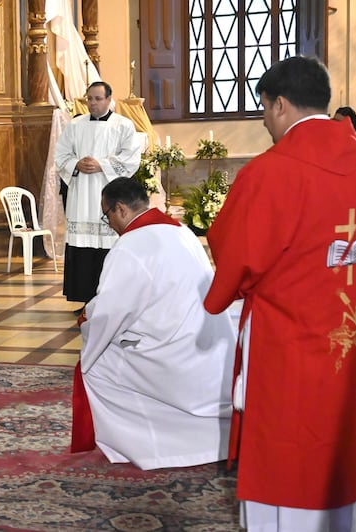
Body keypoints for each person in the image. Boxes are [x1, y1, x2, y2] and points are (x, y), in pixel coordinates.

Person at [204, 56, 356, 531]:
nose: (267, 121)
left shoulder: (271, 172)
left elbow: (235, 255)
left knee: (290, 451)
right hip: (346, 334)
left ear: (282, 105)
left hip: (289, 342)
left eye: (266, 109)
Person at [73, 177, 235, 470]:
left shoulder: (130, 246)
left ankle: (144, 445)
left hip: (174, 356)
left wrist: (87, 320)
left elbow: (111, 312)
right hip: (210, 350)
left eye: (106, 214)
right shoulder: (182, 232)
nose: (108, 223)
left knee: (96, 365)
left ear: (120, 209)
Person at [54, 81, 141, 315]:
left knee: (108, 250)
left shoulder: (123, 125)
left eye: (98, 98)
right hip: (81, 197)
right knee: (84, 250)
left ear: (109, 100)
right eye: (89, 98)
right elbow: (61, 154)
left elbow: (132, 159)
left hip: (108, 196)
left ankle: (111, 302)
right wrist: (76, 163)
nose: (92, 103)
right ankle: (87, 301)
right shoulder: (75, 125)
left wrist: (101, 164)